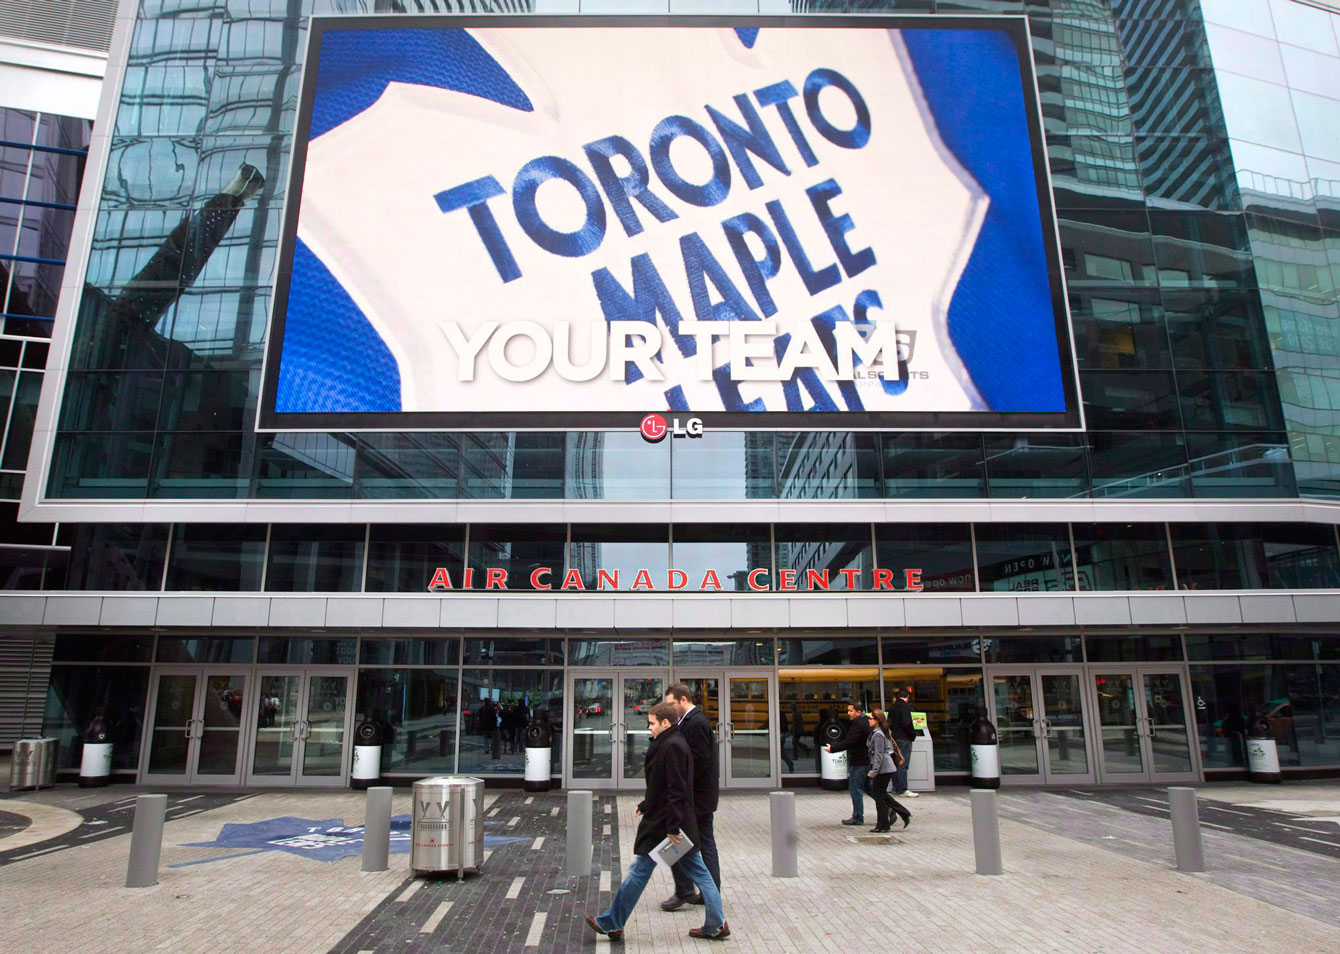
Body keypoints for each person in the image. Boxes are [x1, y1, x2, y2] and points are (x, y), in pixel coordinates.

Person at [585, 702, 728, 942]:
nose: (649, 728)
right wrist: (646, 804)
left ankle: (612, 922)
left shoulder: (672, 746)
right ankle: (716, 924)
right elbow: (662, 786)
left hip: (667, 828)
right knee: (697, 872)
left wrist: (672, 828)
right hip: (672, 824)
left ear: (665, 723)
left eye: (652, 723)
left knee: (641, 870)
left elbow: (676, 790)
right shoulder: (672, 743)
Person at [661, 682, 720, 911]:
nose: (670, 708)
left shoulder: (695, 723)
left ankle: (688, 889)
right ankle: (706, 891)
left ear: (683, 700)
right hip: (698, 797)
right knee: (700, 843)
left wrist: (679, 783)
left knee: (680, 841)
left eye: (671, 704)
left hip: (697, 798)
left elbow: (698, 760)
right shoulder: (689, 721)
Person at [824, 700, 872, 826]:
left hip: (859, 761)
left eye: (851, 711)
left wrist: (832, 749)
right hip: (866, 760)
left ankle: (857, 817)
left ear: (859, 711)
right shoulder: (867, 721)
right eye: (848, 710)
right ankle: (888, 807)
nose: (848, 713)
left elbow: (849, 742)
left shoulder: (858, 724)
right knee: (869, 788)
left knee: (855, 789)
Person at [867, 709, 910, 831]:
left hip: (883, 768)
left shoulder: (878, 734)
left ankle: (883, 825)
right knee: (881, 795)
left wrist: (874, 771)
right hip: (886, 767)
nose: (868, 720)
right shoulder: (883, 732)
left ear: (877, 721)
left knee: (879, 796)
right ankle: (903, 814)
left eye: (870, 718)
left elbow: (879, 754)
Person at [890, 686, 919, 799]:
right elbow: (907, 723)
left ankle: (896, 788)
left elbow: (890, 723)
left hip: (895, 738)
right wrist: (913, 734)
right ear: (907, 697)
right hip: (904, 738)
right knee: (903, 764)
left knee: (896, 763)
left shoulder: (892, 707)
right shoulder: (905, 707)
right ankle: (902, 789)